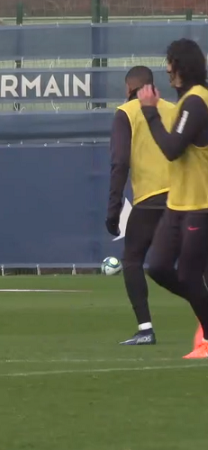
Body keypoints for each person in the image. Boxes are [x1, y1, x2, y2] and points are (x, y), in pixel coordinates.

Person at [138, 38, 208, 358]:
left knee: (189, 275)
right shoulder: (187, 101)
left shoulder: (197, 102)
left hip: (200, 204)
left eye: (170, 62)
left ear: (181, 66)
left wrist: (150, 112)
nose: (166, 69)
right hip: (178, 204)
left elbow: (171, 148)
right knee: (159, 268)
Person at [107, 66, 175, 346]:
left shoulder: (126, 112)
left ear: (128, 88)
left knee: (133, 259)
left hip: (150, 200)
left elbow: (120, 162)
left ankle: (145, 328)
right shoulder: (174, 109)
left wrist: (113, 208)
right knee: (195, 261)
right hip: (183, 198)